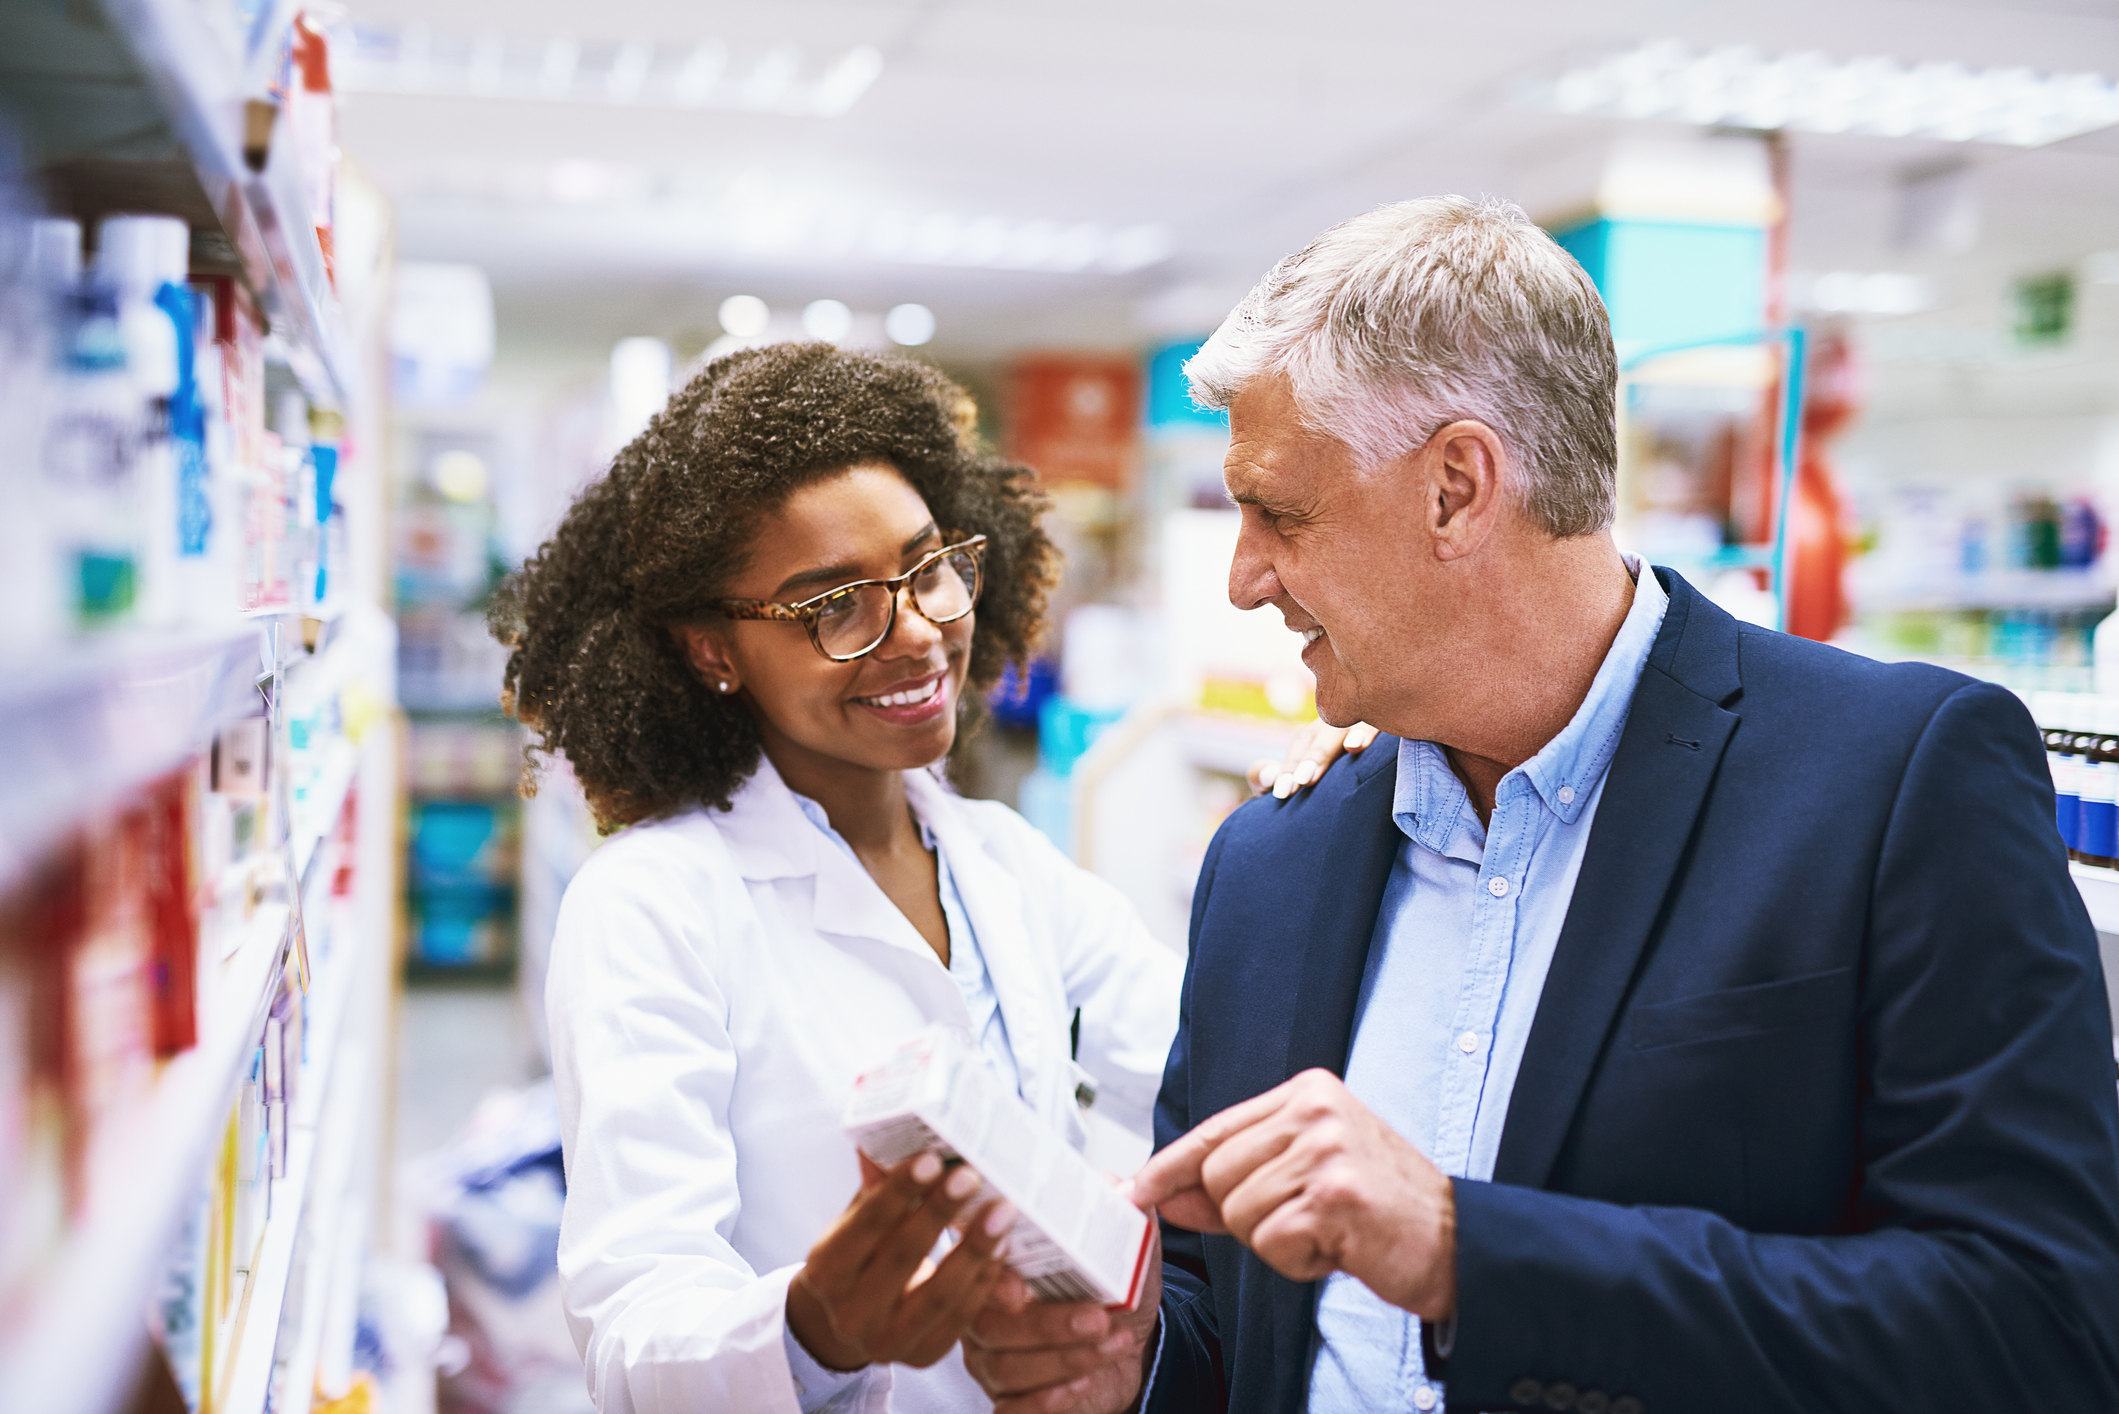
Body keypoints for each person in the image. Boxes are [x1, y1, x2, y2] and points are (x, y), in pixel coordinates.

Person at [963, 197, 2119, 1414]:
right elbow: (1238, 1323)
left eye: (1281, 514)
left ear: (1457, 487)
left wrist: (1468, 1253)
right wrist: (1134, 1368)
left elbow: (2038, 1331)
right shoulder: (1269, 859)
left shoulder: (1890, 782)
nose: (1244, 579)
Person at [493, 344, 1198, 1414]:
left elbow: (1210, 1072)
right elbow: (632, 1328)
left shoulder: (1003, 864)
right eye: (833, 605)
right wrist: (813, 1330)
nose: (915, 631)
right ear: (708, 649)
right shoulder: (655, 904)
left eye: (927, 568)